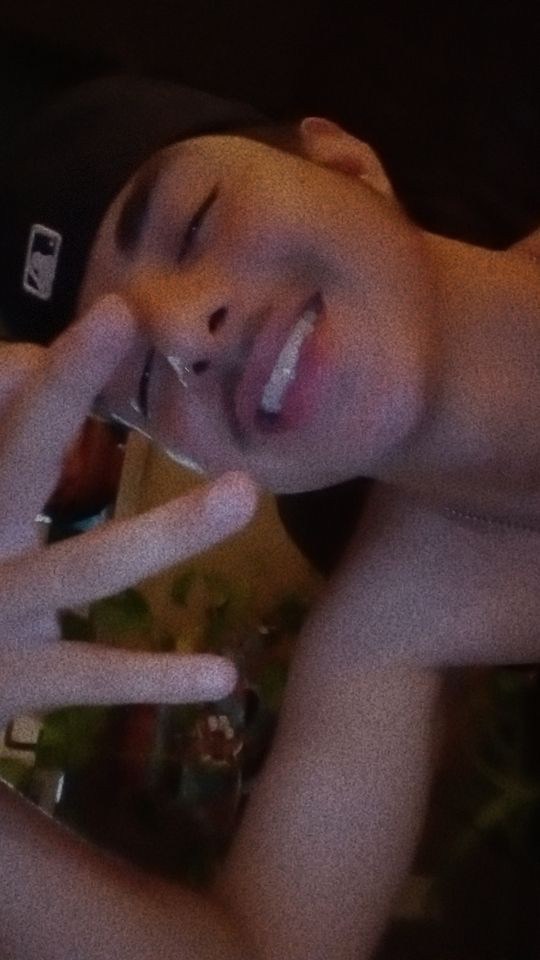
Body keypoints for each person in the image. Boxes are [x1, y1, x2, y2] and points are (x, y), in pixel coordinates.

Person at [0, 73, 538, 959]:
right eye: (141, 382)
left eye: (193, 223)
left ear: (343, 160)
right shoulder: (397, 622)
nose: (185, 336)